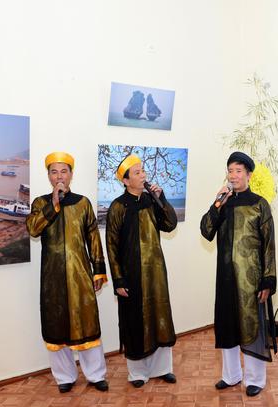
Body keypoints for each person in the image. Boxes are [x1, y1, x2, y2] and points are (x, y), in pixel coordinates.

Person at [26, 152, 109, 393]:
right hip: (52, 277)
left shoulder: (83, 203)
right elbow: (33, 229)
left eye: (64, 171)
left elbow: (93, 238)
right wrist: (53, 204)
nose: (59, 176)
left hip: (80, 275)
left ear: (71, 174)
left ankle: (96, 375)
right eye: (54, 172)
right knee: (56, 326)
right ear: (49, 176)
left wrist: (98, 271)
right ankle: (64, 377)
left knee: (87, 324)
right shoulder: (40, 203)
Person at [200, 151, 277, 397]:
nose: (233, 176)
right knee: (227, 324)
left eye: (238, 171)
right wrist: (217, 204)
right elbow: (206, 231)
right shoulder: (223, 204)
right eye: (230, 171)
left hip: (251, 279)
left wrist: (268, 279)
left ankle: (255, 378)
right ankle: (231, 375)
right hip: (225, 276)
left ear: (249, 175)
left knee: (251, 325)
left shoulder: (259, 204)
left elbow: (269, 245)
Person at [105, 153, 178, 388]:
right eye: (137, 173)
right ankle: (137, 373)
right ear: (126, 181)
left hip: (155, 273)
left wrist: (161, 198)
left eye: (143, 170)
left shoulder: (151, 200)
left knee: (159, 318)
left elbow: (170, 224)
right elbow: (111, 246)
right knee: (134, 320)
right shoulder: (118, 207)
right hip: (131, 276)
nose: (143, 175)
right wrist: (118, 279)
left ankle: (163, 369)